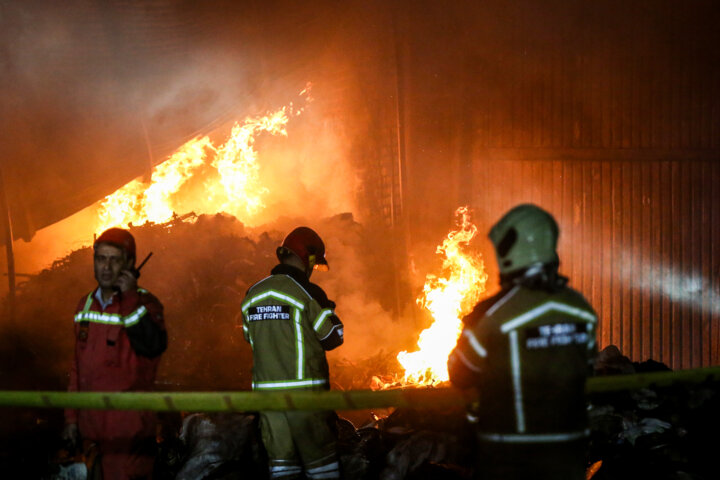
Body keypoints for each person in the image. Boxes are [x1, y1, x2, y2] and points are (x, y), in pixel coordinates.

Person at [448, 204, 597, 480]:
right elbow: (586, 368)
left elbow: (460, 371)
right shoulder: (579, 309)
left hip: (511, 453)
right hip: (568, 448)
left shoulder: (494, 314)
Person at [63, 228, 167, 480]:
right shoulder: (84, 305)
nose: (106, 267)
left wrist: (129, 299)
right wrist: (71, 419)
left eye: (114, 259)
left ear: (130, 264)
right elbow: (77, 366)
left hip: (128, 432)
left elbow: (152, 346)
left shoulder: (146, 304)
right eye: (101, 259)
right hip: (91, 430)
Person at [241, 226, 344, 480]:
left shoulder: (253, 294)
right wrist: (331, 314)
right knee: (322, 468)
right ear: (307, 258)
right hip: (304, 400)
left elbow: (249, 337)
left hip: (267, 401)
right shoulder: (308, 293)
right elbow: (332, 338)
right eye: (313, 262)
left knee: (282, 469)